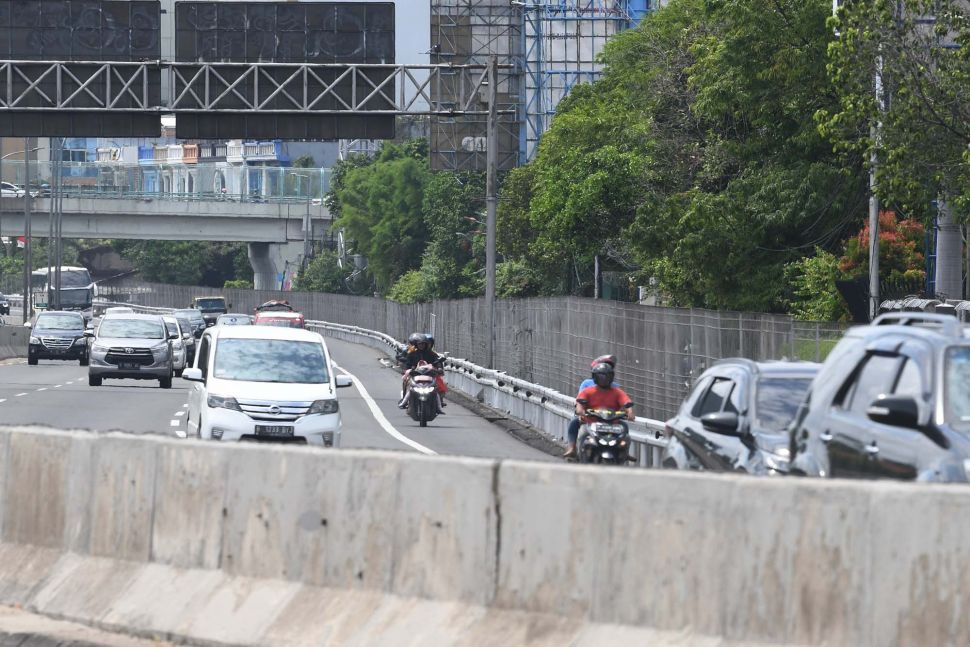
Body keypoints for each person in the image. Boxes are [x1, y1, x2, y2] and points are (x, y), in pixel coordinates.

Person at [564, 361, 634, 459]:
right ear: (595, 377)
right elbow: (579, 403)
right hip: (590, 422)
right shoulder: (588, 391)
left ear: (611, 377)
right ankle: (572, 448)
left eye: (606, 376)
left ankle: (624, 452)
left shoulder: (617, 392)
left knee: (625, 428)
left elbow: (626, 402)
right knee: (577, 427)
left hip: (613, 424)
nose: (603, 380)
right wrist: (581, 411)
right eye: (600, 377)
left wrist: (630, 412)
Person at [398, 333, 448, 410]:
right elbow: (407, 363)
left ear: (426, 344)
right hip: (415, 374)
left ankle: (439, 403)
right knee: (407, 382)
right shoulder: (411, 354)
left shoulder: (431, 354)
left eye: (423, 344)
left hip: (428, 374)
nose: (421, 345)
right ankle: (404, 401)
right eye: (420, 344)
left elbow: (437, 361)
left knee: (436, 386)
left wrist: (439, 368)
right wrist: (408, 369)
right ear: (416, 344)